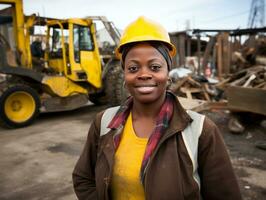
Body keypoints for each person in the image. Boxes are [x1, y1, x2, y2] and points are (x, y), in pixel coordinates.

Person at [72, 16, 242, 200]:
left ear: (167, 72)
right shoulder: (104, 122)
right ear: (124, 75)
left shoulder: (200, 130)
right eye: (133, 68)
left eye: (154, 67)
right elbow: (83, 178)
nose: (144, 74)